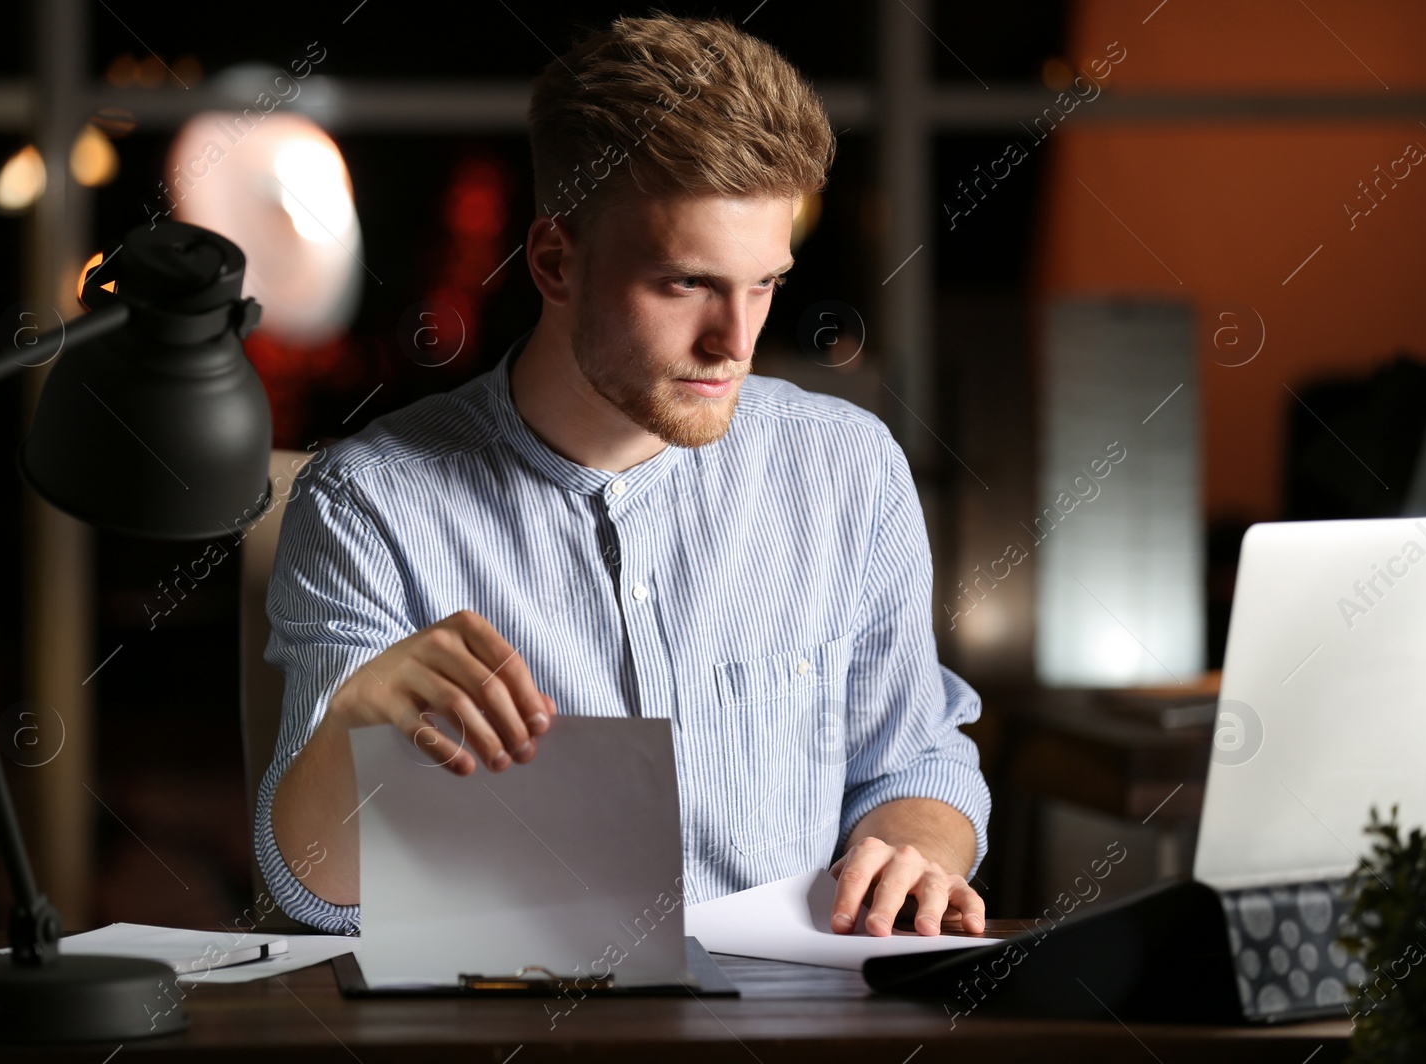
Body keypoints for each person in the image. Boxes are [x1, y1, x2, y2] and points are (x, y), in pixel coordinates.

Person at [258, 12, 990, 939]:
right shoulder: (369, 504)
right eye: (687, 284)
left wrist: (914, 846)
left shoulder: (849, 470)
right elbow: (312, 888)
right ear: (557, 261)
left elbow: (914, 759)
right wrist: (353, 730)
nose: (736, 342)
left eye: (763, 284)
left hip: (794, 1022)